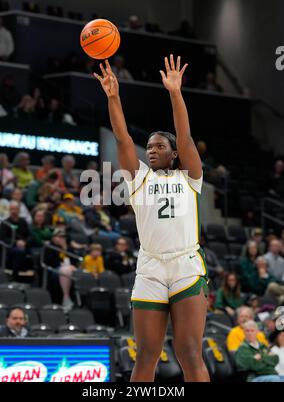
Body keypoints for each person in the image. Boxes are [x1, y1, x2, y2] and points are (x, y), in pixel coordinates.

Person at [94, 55, 209, 382]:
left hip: (185, 265)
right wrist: (113, 97)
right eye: (149, 147)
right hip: (150, 267)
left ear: (174, 154)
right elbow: (122, 139)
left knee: (189, 353)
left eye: (159, 146)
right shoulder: (139, 179)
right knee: (145, 355)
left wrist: (175, 93)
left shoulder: (190, 177)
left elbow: (184, 137)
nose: (151, 150)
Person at [44, 228, 78, 312]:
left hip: (70, 269)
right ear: (53, 237)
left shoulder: (69, 248)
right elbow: (50, 262)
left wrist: (64, 247)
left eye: (63, 237)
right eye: (59, 237)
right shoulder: (50, 247)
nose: (61, 239)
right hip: (54, 270)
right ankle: (66, 298)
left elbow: (75, 261)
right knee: (65, 271)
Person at [0, 201, 30, 276]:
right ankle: (15, 275)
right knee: (19, 252)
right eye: (12, 209)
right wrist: (16, 242)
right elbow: (2, 238)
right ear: (9, 210)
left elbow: (29, 235)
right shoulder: (5, 223)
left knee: (37, 252)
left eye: (16, 209)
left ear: (19, 210)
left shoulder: (23, 222)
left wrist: (25, 242)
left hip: (24, 245)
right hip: (10, 246)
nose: (14, 211)